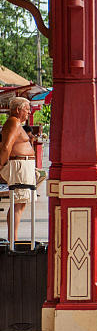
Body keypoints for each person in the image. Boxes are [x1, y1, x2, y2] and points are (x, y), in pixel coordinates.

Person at [0, 97, 36, 242]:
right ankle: (12, 240)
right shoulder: (13, 122)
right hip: (19, 166)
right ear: (17, 109)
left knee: (20, 203)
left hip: (23, 166)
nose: (29, 112)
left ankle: (13, 239)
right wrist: (1, 165)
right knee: (17, 202)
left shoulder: (17, 124)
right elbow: (6, 146)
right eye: (26, 109)